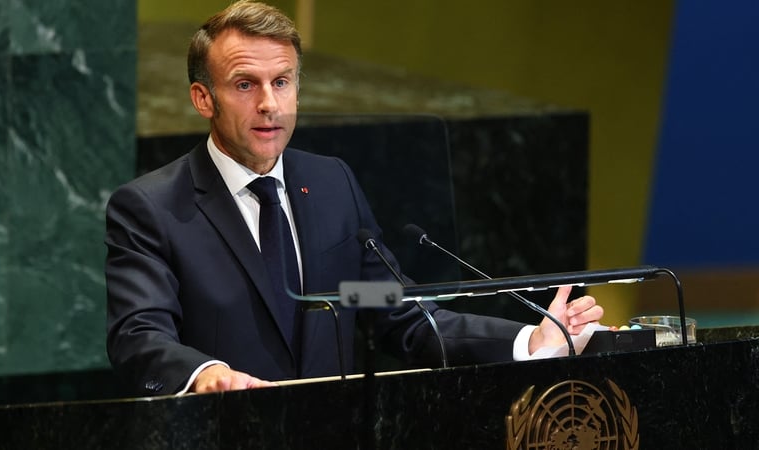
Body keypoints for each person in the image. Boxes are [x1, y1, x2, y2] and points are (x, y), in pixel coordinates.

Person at [105, 0, 605, 397]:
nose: (269, 104)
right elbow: (139, 336)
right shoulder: (152, 208)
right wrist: (208, 373)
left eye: (282, 82)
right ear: (202, 98)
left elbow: (390, 306)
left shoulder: (331, 185)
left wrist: (528, 341)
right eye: (244, 84)